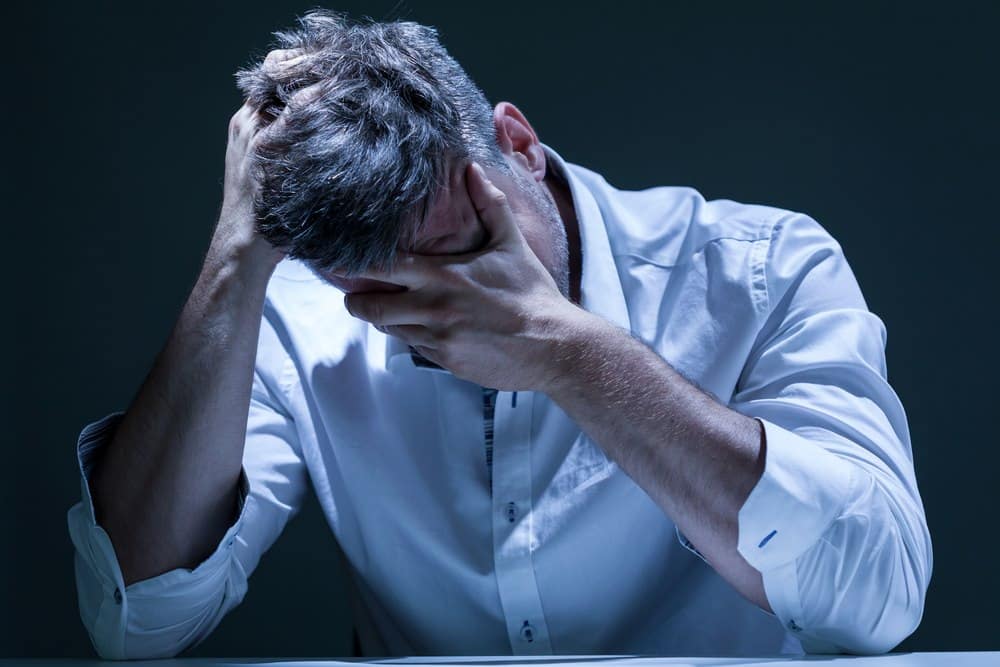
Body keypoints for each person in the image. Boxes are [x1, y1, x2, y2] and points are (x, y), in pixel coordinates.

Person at [66, 9, 932, 660]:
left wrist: (571, 353)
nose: (451, 309)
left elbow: (879, 594)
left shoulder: (763, 269)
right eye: (385, 291)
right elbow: (137, 620)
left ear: (518, 144)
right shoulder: (299, 315)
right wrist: (236, 253)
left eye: (467, 249)